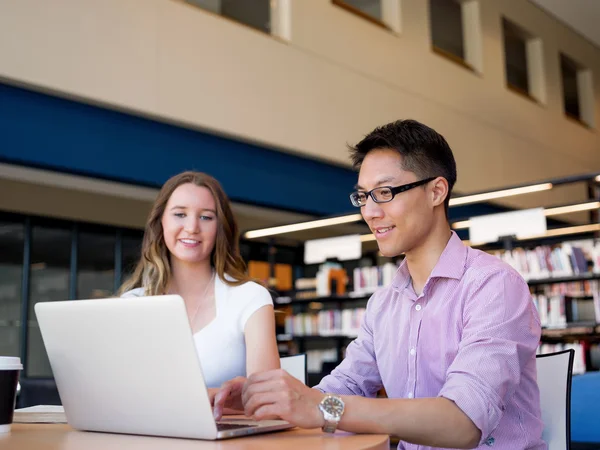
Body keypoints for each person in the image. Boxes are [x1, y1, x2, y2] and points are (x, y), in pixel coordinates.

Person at [213, 120, 545, 449]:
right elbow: (344, 388)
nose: (370, 212)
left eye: (384, 193)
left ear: (436, 191)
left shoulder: (493, 287)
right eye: (363, 197)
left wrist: (319, 408)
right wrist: (274, 400)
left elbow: (463, 423)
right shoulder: (384, 303)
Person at [119, 171, 280, 402]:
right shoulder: (132, 303)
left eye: (206, 217)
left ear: (220, 227)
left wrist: (203, 399)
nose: (192, 227)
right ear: (161, 221)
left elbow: (269, 402)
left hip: (228, 436)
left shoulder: (250, 298)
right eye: (180, 214)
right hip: (148, 435)